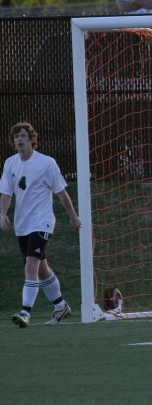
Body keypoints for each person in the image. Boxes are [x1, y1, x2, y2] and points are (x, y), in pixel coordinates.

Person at [0, 122, 82, 327]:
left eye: (22, 135)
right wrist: (2, 214)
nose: (19, 139)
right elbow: (6, 192)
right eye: (16, 136)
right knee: (42, 268)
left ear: (31, 139)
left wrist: (73, 216)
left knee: (31, 265)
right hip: (22, 223)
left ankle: (25, 312)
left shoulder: (46, 163)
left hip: (42, 222)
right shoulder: (10, 163)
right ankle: (61, 306)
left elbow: (61, 192)